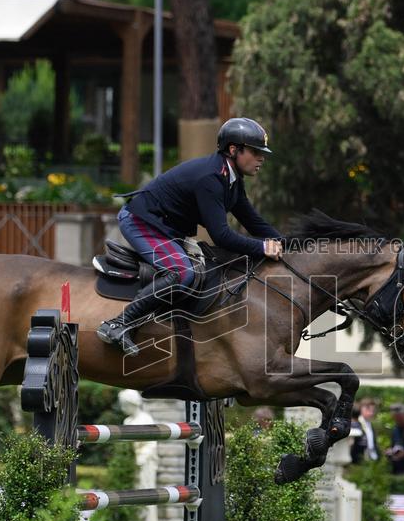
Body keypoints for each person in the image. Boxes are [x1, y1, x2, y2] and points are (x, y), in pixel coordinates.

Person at [97, 117, 284, 353]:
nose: (261, 158)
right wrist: (262, 247)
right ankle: (118, 324)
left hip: (164, 227)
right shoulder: (212, 179)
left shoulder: (232, 179)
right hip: (141, 222)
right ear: (233, 150)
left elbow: (253, 222)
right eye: (255, 152)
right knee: (182, 272)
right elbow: (222, 236)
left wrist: (289, 243)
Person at [350, 397, 380, 463]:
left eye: (373, 410)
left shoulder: (370, 424)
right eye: (368, 409)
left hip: (372, 459)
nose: (371, 413)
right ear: (361, 408)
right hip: (358, 460)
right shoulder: (355, 423)